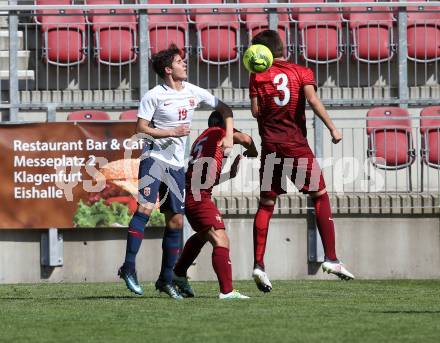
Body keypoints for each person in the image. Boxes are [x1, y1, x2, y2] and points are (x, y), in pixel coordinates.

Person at [118, 45, 234, 299]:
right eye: (180, 62)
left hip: (176, 166)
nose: (185, 64)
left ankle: (165, 279)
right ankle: (128, 267)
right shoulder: (154, 95)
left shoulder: (192, 91)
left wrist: (229, 137)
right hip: (154, 159)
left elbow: (225, 109)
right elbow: (141, 127)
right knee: (145, 209)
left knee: (176, 221)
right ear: (169, 70)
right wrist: (171, 132)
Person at [248, 30, 355, 292]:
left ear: (261, 53)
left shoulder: (257, 76)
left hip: (271, 146)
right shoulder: (301, 72)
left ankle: (259, 265)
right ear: (282, 47)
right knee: (319, 195)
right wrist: (332, 128)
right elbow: (312, 100)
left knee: (266, 203)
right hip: (295, 145)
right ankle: (331, 258)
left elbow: (255, 111)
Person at [172, 110, 258, 299]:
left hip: (195, 195)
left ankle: (178, 273)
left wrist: (229, 175)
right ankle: (227, 291)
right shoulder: (219, 133)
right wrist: (252, 152)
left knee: (203, 235)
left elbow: (204, 179)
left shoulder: (202, 139)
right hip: (199, 197)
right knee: (221, 239)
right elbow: (246, 139)